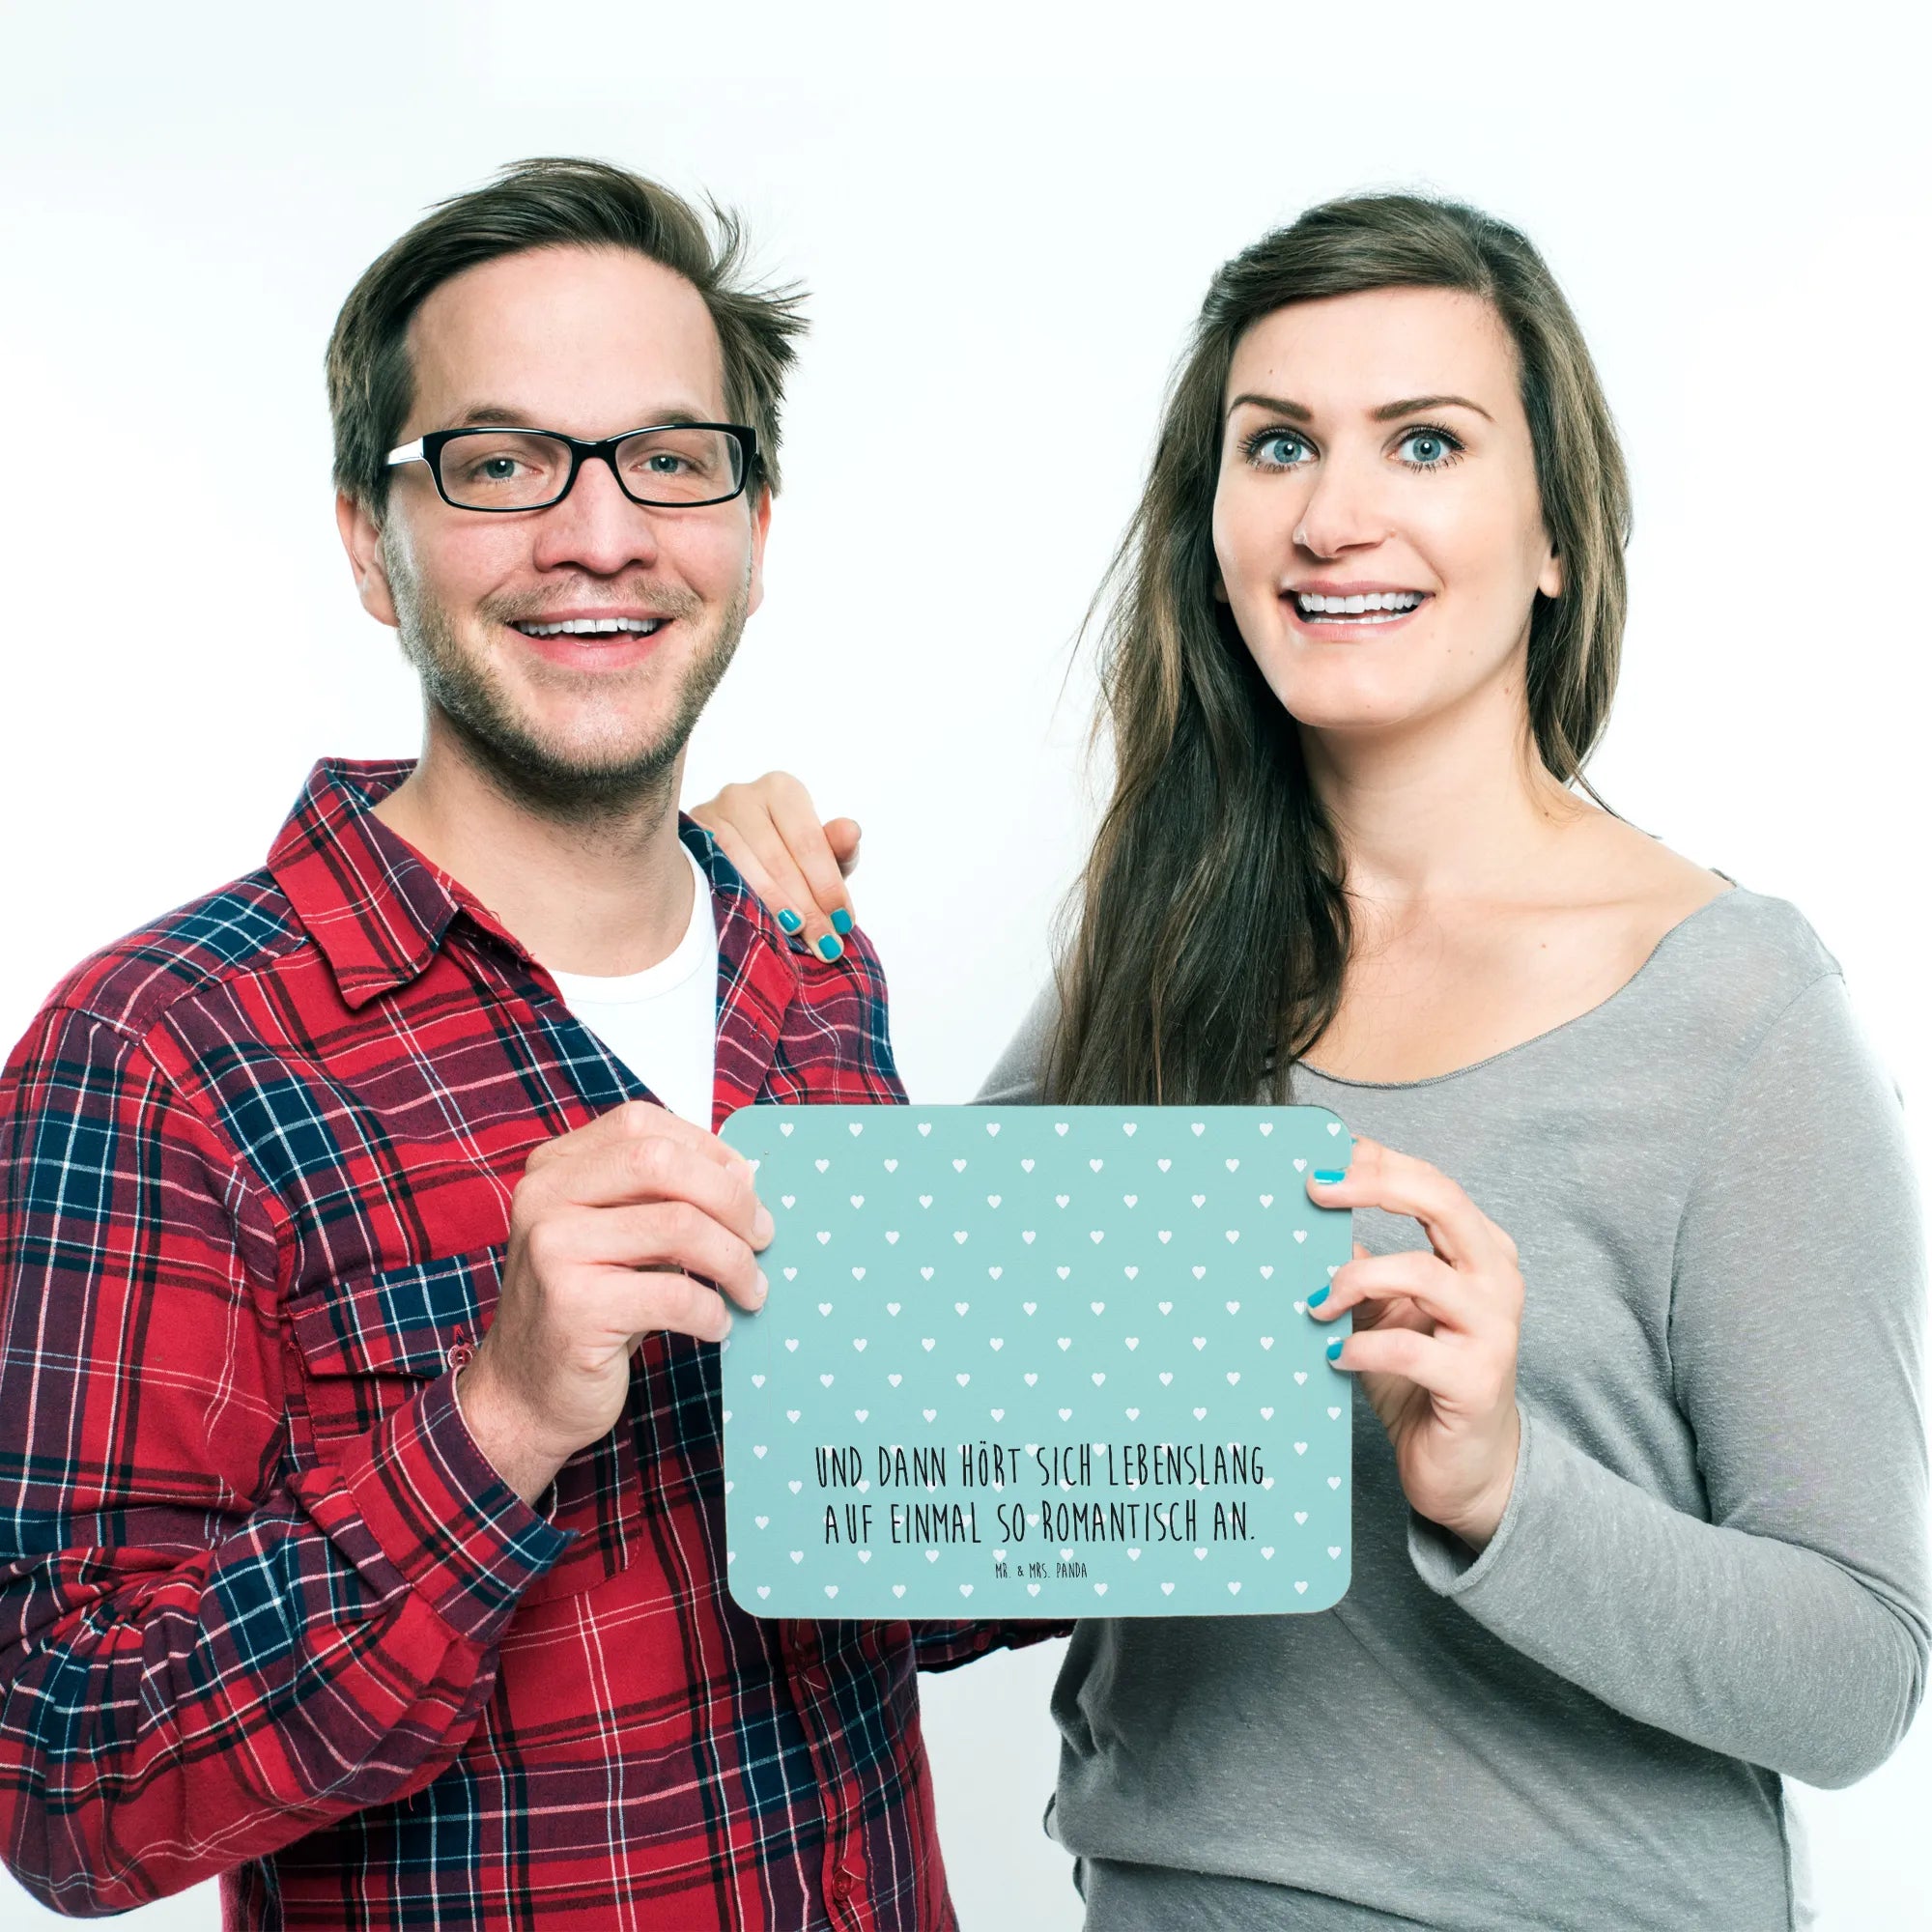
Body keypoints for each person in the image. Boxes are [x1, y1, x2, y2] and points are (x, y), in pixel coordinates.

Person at [692, 192, 1930, 1929]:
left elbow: (1857, 1675)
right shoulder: (1156, 945)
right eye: (1276, 444)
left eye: (1425, 442)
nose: (1334, 517)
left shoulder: (1738, 1013)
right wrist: (730, 932)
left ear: (1556, 532)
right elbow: (900, 1433)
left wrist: (1503, 1489)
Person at [0, 157, 1052, 1928]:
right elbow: (66, 1789)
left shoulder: (808, 962)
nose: (602, 534)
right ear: (371, 541)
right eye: (500, 466)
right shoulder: (161, 1056)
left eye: (671, 459)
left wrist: (1197, 1402)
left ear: (754, 528)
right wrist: (496, 1421)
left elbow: (889, 1589)